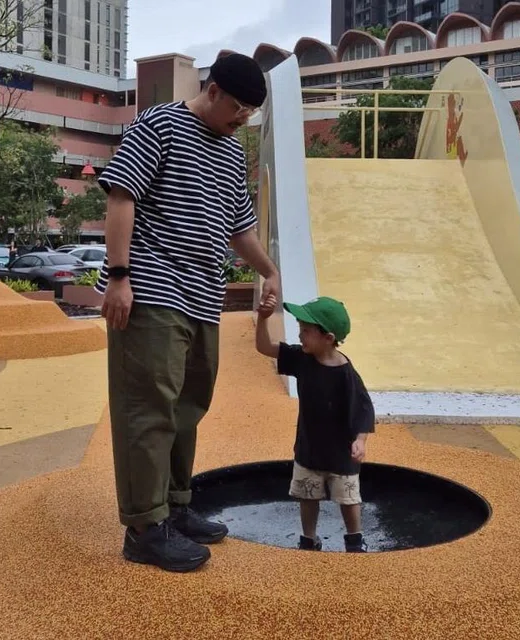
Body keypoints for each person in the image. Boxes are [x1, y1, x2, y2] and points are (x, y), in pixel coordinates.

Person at [96, 52, 281, 573]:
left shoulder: (228, 153)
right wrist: (118, 276)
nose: (243, 119)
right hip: (152, 287)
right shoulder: (158, 124)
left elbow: (239, 228)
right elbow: (121, 195)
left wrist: (270, 271)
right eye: (239, 108)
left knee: (188, 405)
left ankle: (175, 508)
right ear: (215, 89)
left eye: (251, 114)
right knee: (148, 405)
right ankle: (143, 527)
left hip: (204, 296)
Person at [255, 294, 376, 553]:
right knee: (307, 496)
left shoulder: (346, 374)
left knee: (348, 497)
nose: (300, 336)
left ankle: (354, 539)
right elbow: (265, 347)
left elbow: (364, 408)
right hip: (309, 449)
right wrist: (263, 320)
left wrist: (360, 439)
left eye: (306, 331)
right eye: (300, 330)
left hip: (341, 454)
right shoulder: (302, 358)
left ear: (328, 338)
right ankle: (308, 538)